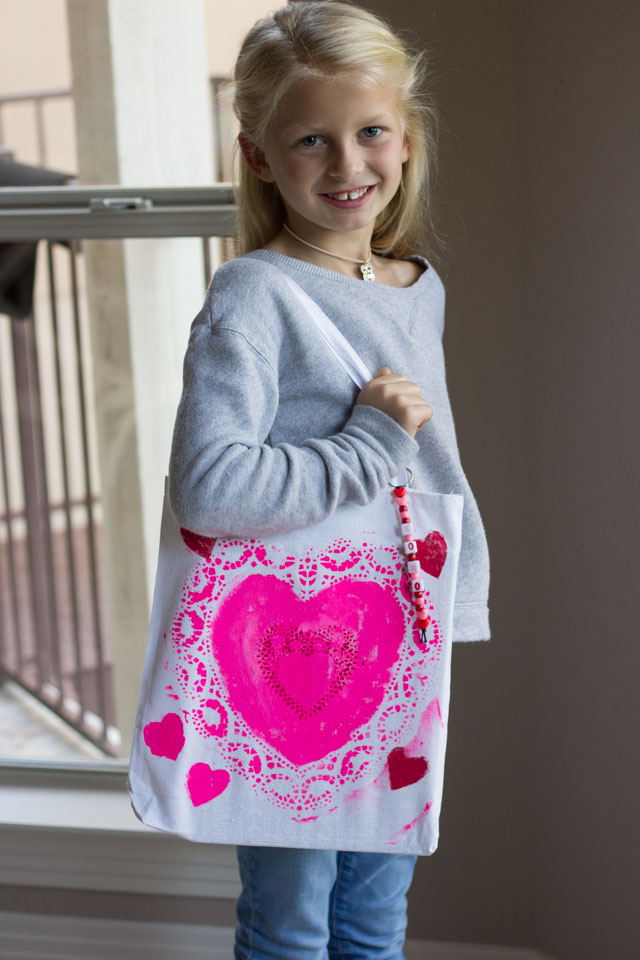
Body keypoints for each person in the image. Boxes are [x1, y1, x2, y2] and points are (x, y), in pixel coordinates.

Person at [168, 2, 490, 957]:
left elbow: (433, 465)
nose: (349, 165)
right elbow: (214, 489)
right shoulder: (255, 295)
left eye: (371, 132)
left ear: (408, 136)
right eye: (312, 139)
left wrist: (454, 597)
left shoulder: (415, 286)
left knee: (376, 912)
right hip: (286, 647)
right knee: (293, 918)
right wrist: (366, 443)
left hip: (402, 629)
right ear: (261, 155)